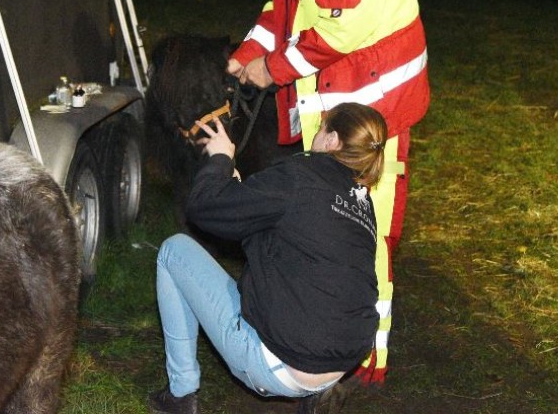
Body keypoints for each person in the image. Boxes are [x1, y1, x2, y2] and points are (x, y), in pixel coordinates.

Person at [226, 0, 430, 386]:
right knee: (332, 226)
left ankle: (369, 361)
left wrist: (270, 70)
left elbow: (334, 36)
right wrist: (249, 51)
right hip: (339, 110)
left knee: (369, 235)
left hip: (374, 117)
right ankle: (332, 334)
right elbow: (283, 10)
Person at [148, 103, 387, 414]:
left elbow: (205, 207)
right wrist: (234, 189)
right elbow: (288, 230)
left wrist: (220, 158)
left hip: (280, 365)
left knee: (173, 251)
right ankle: (318, 392)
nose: (315, 137)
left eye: (321, 130)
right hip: (341, 362)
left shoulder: (300, 173)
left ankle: (180, 396)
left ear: (333, 141)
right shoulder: (362, 204)